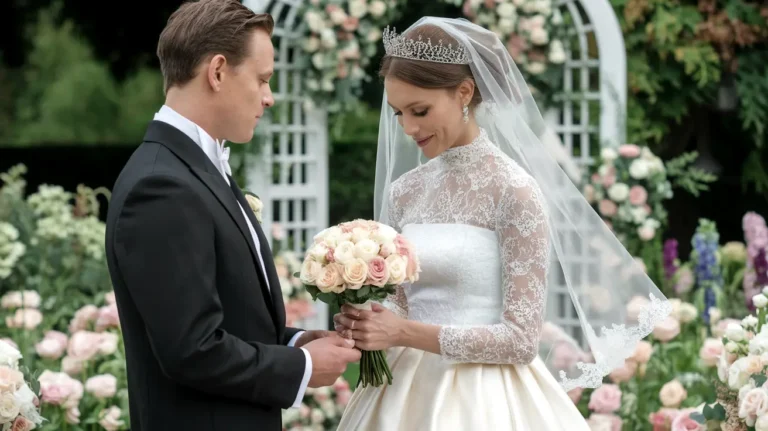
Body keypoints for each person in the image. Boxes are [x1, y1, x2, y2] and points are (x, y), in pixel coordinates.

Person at [333, 17, 672, 430]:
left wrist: (402, 332)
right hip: (403, 395)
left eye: (420, 111)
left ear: (464, 92)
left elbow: (521, 340)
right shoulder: (404, 191)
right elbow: (400, 302)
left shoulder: (514, 190)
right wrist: (366, 319)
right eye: (399, 113)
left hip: (487, 399)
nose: (408, 128)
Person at [103, 1, 360, 430]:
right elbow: (191, 350)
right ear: (218, 72)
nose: (269, 97)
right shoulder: (161, 187)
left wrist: (296, 343)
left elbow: (225, 320)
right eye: (262, 79)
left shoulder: (192, 168)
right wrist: (301, 367)